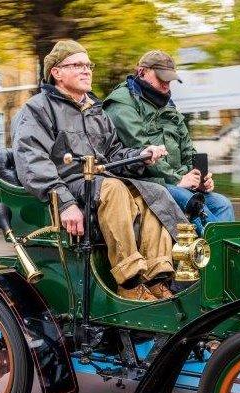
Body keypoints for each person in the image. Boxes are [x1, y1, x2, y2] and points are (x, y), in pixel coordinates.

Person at [11, 40, 187, 302]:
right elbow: (32, 161)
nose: (86, 71)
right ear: (56, 73)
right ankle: (129, 283)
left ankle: (156, 279)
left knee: (153, 192)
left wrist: (140, 156)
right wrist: (65, 202)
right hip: (70, 184)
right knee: (114, 188)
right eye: (77, 65)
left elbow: (114, 154)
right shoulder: (38, 109)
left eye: (88, 65)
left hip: (100, 181)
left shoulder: (96, 110)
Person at [104, 50, 234, 234]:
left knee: (223, 204)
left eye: (169, 80)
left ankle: (217, 255)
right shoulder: (122, 103)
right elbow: (141, 149)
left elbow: (188, 148)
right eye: (161, 79)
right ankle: (214, 254)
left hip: (176, 182)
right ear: (141, 72)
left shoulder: (168, 105)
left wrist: (200, 178)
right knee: (192, 203)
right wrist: (178, 179)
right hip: (144, 181)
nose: (166, 85)